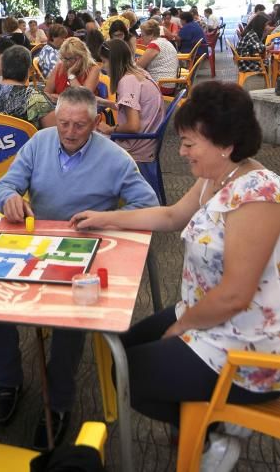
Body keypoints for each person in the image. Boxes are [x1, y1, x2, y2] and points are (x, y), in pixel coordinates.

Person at [70, 81, 280, 472]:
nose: (181, 151)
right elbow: (170, 216)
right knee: (124, 353)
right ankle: (205, 421)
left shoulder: (258, 195)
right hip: (210, 316)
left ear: (226, 144)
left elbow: (235, 294)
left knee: (131, 375)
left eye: (189, 143)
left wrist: (181, 326)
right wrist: (106, 218)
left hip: (248, 346)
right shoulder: (219, 177)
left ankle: (214, 428)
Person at [0, 87, 158, 449]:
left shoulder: (115, 158)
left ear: (96, 122)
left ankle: (59, 402)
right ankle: (8, 382)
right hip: (35, 243)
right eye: (63, 122)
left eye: (79, 126)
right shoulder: (39, 142)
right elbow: (4, 186)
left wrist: (107, 218)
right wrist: (10, 199)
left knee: (71, 317)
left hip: (84, 249)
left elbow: (149, 206)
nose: (68, 132)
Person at [98, 39, 164, 163]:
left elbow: (133, 126)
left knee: (87, 142)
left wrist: (110, 129)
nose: (103, 66)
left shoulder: (127, 82)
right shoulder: (139, 73)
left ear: (114, 62)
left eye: (104, 61)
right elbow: (138, 109)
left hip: (136, 148)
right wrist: (105, 102)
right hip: (147, 142)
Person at [0, 45, 55, 129]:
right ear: (28, 71)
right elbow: (54, 133)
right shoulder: (35, 98)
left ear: (2, 68)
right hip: (26, 143)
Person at [137, 19, 179, 94]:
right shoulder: (164, 41)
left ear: (152, 35)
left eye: (143, 35)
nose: (141, 38)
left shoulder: (154, 44)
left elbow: (139, 66)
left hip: (160, 85)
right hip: (169, 83)